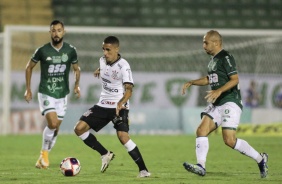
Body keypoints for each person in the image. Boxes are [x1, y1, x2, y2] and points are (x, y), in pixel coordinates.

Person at [181, 30, 268, 178]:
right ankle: (201, 166)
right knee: (201, 130)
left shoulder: (226, 57)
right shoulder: (212, 60)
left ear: (216, 42)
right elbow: (210, 79)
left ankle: (260, 159)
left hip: (230, 101)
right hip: (218, 102)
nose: (203, 45)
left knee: (229, 140)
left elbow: (235, 79)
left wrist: (219, 91)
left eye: (205, 42)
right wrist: (192, 82)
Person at [74, 36, 151, 178]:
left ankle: (143, 170)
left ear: (117, 49)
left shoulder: (124, 66)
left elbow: (129, 89)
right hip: (102, 104)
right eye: (103, 49)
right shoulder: (102, 60)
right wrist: (99, 70)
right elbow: (105, 67)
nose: (105, 53)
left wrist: (121, 102)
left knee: (123, 137)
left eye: (108, 50)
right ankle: (105, 154)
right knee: (79, 129)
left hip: (118, 106)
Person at [24, 20, 81, 169]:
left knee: (56, 128)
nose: (56, 33)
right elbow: (29, 67)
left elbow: (76, 69)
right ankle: (44, 154)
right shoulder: (42, 50)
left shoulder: (70, 50)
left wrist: (76, 85)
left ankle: (43, 157)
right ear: (50, 32)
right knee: (53, 123)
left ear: (64, 31)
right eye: (53, 31)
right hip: (46, 91)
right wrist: (28, 89)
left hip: (62, 94)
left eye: (59, 30)